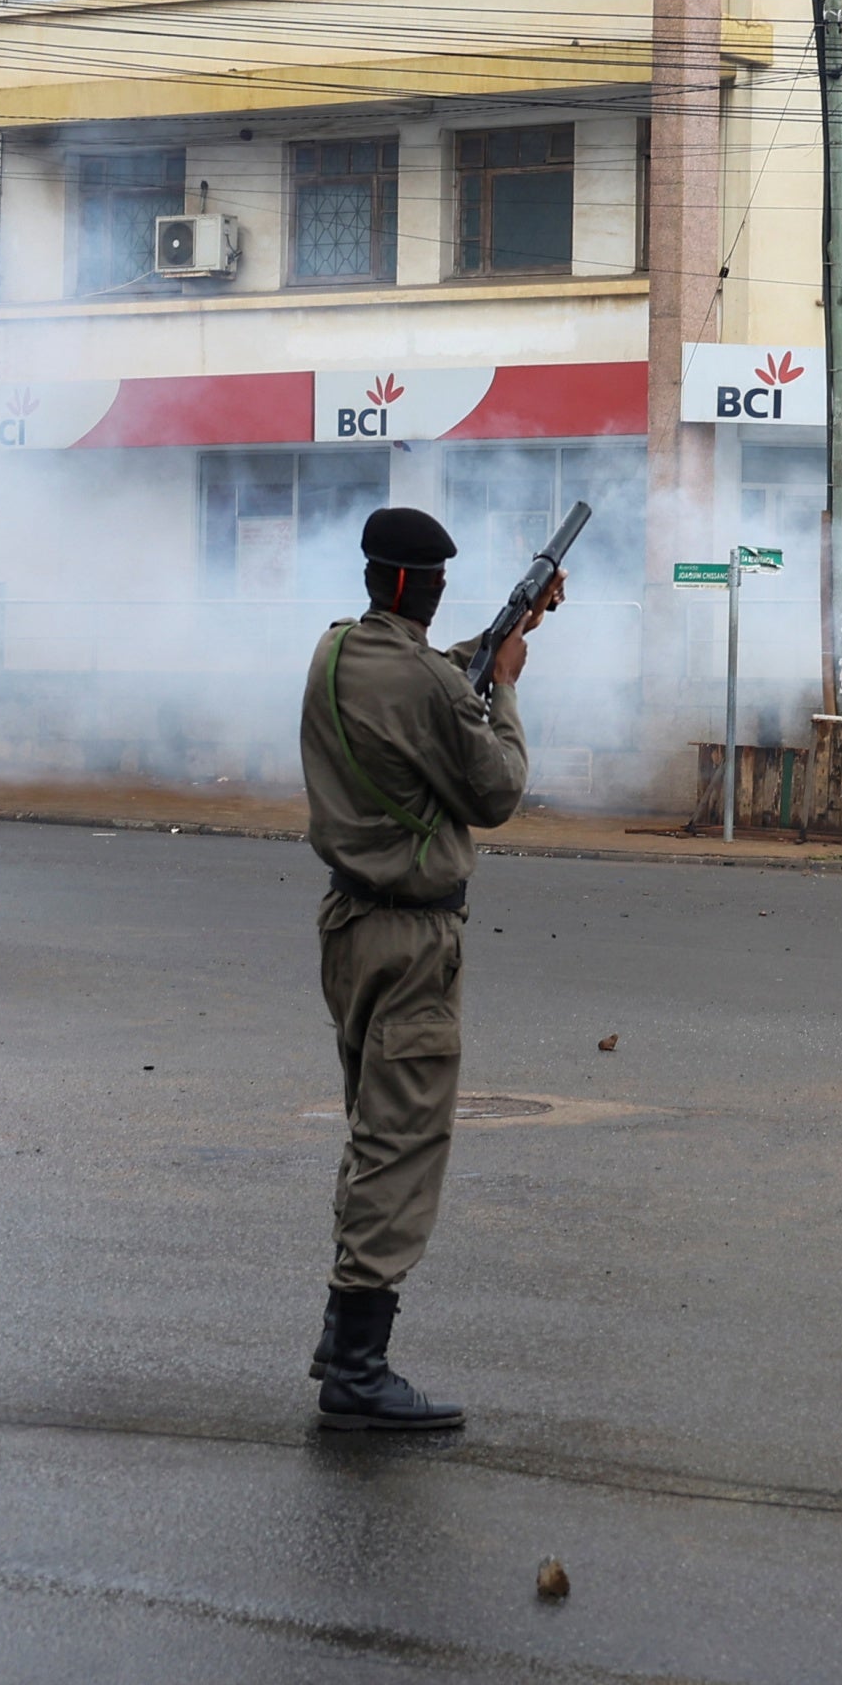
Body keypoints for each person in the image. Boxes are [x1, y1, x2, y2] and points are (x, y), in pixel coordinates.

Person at [297, 505, 555, 1432]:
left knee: (373, 1127)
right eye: (437, 585)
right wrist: (508, 685)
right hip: (410, 939)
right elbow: (496, 790)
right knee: (403, 1143)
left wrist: (497, 639)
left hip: (347, 927)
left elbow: (415, 679)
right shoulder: (435, 689)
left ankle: (340, 1332)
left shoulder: (334, 652)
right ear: (420, 586)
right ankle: (358, 1370)